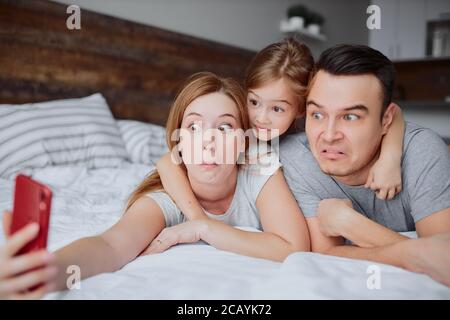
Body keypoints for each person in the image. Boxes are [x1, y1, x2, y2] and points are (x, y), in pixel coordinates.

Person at [1, 71, 310, 298]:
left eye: (225, 126)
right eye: (194, 126)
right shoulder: (164, 199)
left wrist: (202, 228)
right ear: (177, 142)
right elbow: (110, 245)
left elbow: (294, 247)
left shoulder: (258, 172)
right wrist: (49, 272)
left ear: (245, 142)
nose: (208, 139)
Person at [154, 38, 405, 232]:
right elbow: (168, 161)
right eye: (254, 101)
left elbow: (396, 116)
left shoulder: (314, 137)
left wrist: (390, 158)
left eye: (277, 108)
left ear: (299, 108)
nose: (261, 117)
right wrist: (198, 219)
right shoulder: (238, 131)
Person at [279, 44, 450, 286]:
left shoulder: (422, 151)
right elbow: (325, 255)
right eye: (317, 114)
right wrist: (411, 252)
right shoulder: (296, 158)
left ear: (386, 120)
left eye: (350, 117)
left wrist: (350, 223)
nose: (328, 135)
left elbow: (443, 260)